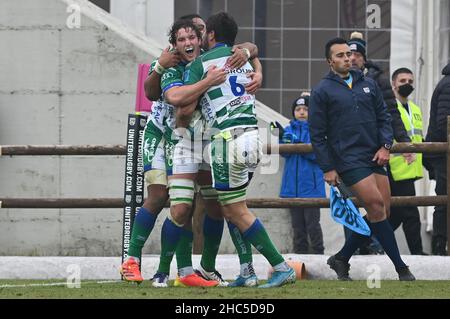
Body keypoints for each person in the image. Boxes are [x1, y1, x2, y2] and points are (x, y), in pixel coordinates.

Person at [182, 12, 296, 288]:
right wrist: (254, 60)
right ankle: (246, 271)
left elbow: (183, 103)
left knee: (236, 210)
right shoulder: (242, 59)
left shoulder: (201, 63)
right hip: (252, 135)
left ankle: (281, 267)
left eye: (202, 32)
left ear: (210, 35)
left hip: (228, 140)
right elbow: (252, 53)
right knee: (232, 207)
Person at [309, 37, 416, 281]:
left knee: (383, 212)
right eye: (340, 55)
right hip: (347, 160)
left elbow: (384, 117)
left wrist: (386, 146)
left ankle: (341, 258)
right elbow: (317, 135)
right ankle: (401, 268)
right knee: (376, 207)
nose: (347, 58)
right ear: (329, 61)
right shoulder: (322, 91)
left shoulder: (369, 83)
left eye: (348, 54)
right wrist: (328, 167)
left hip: (375, 156)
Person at [279, 94, 325, 254]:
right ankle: (300, 256)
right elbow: (284, 154)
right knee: (297, 227)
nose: (302, 112)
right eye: (298, 109)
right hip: (292, 189)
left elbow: (317, 155)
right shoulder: (288, 129)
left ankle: (319, 255)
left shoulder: (317, 130)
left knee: (313, 225)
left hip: (311, 189)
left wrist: (298, 144)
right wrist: (282, 138)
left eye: (306, 109)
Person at [388, 67, 427, 255]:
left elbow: (420, 140)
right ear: (393, 84)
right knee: (410, 214)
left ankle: (366, 242)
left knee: (396, 214)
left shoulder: (416, 109)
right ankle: (418, 254)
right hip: (394, 168)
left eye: (410, 81)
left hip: (410, 169)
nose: (407, 85)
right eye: (402, 81)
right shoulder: (389, 107)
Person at [425, 62, 450, 256]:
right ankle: (440, 246)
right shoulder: (448, 85)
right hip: (443, 154)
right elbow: (444, 124)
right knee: (443, 200)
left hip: (441, 153)